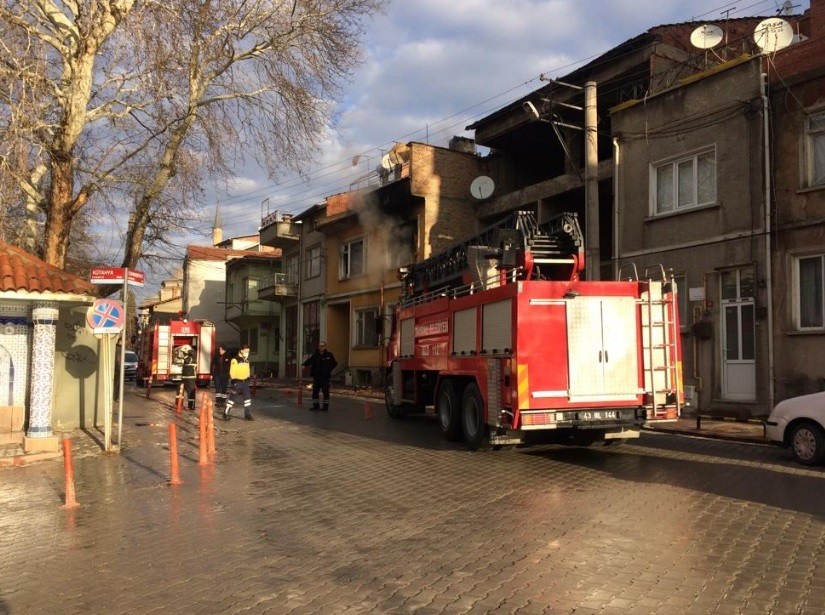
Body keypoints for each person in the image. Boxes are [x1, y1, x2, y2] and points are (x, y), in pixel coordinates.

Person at [302, 341, 337, 411]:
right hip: (317, 376)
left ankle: (325, 407)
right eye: (319, 346)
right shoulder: (316, 355)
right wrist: (304, 365)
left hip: (325, 377)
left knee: (325, 392)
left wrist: (329, 369)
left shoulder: (329, 355)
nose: (320, 347)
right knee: (315, 392)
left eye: (322, 346)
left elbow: (334, 363)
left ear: (325, 347)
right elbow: (310, 360)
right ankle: (316, 406)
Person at [225, 344, 254, 421]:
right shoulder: (235, 360)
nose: (247, 353)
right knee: (232, 398)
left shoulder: (247, 360)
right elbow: (232, 371)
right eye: (246, 351)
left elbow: (248, 371)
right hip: (237, 382)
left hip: (245, 383)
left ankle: (247, 415)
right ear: (241, 351)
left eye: (248, 352)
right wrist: (234, 380)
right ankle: (225, 414)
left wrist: (248, 377)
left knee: (247, 398)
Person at [181, 345, 197, 411]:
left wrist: (184, 354)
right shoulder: (189, 356)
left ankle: (192, 406)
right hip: (186, 377)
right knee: (187, 392)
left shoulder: (192, 357)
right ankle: (189, 405)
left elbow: (187, 361)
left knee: (191, 392)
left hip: (190, 378)